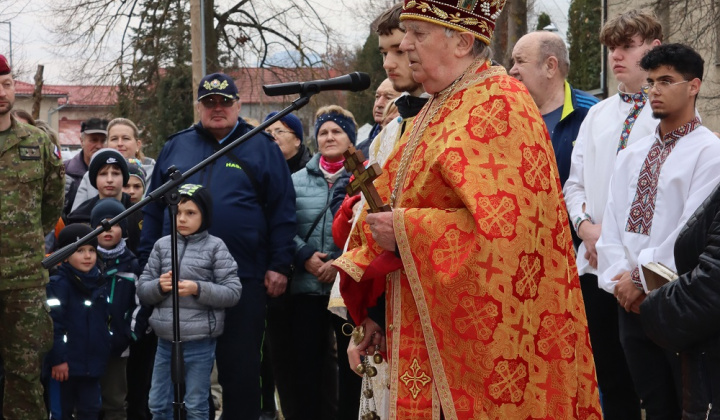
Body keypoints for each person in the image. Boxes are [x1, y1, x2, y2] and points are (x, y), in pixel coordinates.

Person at [332, 0, 601, 417]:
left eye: (418, 34)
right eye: (406, 33)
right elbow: (387, 203)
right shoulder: (436, 107)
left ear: (460, 41)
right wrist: (373, 311)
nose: (405, 45)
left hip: (482, 346)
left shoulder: (501, 102)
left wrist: (407, 227)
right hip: (416, 323)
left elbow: (508, 236)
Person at [138, 73, 296, 420]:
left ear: (238, 105)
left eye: (225, 101)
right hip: (180, 285)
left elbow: (283, 210)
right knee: (186, 377)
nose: (218, 108)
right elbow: (151, 211)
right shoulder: (176, 146)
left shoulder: (260, 145)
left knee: (239, 371)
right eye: (210, 102)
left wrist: (279, 264)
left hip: (242, 280)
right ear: (199, 107)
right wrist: (147, 265)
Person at [597, 43, 720, 420]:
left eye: (666, 81)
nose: (655, 90)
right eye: (650, 82)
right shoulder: (632, 154)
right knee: (648, 402)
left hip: (678, 302)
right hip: (627, 301)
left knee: (684, 406)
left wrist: (642, 281)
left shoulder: (710, 152)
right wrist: (621, 280)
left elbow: (689, 235)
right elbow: (613, 222)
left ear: (694, 85)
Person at [562, 10, 665, 419]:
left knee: (656, 384)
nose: (616, 56)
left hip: (643, 270)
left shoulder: (666, 113)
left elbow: (661, 195)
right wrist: (586, 229)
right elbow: (575, 184)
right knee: (609, 378)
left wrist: (612, 244)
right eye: (611, 48)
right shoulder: (598, 114)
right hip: (591, 265)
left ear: (654, 48)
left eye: (627, 46)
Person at [138, 184, 242, 420]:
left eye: (191, 213)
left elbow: (233, 292)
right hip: (165, 340)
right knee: (157, 403)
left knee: (195, 404)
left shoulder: (216, 247)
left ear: (205, 215)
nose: (182, 219)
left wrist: (198, 289)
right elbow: (143, 288)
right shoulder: (162, 246)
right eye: (178, 212)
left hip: (199, 342)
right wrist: (158, 286)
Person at [0, 53, 65, 420]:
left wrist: (22, 241)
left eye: (7, 84)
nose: (1, 92)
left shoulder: (37, 143)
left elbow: (51, 205)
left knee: (24, 376)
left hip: (23, 280)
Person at [509, 31, 598, 188]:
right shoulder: (509, 114)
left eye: (520, 61)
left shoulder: (592, 114)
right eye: (513, 62)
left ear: (550, 66)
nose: (512, 70)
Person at [45, 224, 111, 420]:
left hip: (92, 366)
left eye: (91, 250)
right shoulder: (57, 284)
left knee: (91, 411)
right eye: (79, 250)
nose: (87, 256)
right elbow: (54, 325)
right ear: (64, 256)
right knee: (61, 412)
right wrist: (58, 360)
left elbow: (104, 321)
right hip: (64, 368)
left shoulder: (100, 282)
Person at [91, 198, 144, 420]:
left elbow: (140, 304)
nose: (108, 230)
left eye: (114, 224)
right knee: (85, 401)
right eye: (101, 225)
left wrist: (128, 334)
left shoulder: (132, 264)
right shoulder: (84, 261)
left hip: (117, 346)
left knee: (115, 401)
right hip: (86, 347)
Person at [67, 148, 144, 253]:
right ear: (94, 179)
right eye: (103, 174)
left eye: (116, 173)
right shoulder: (79, 217)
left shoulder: (140, 214)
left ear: (124, 178)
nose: (109, 180)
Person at [72, 118, 155, 211]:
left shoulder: (154, 175)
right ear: (107, 144)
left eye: (125, 138)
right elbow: (77, 215)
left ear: (138, 144)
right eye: (114, 139)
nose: (120, 144)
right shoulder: (90, 176)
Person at [64, 117, 108, 216]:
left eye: (103, 141)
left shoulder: (117, 173)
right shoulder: (65, 171)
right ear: (82, 141)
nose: (99, 146)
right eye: (93, 140)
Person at [356, 78, 400, 155]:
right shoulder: (360, 150)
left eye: (388, 98)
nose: (379, 104)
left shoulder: (412, 144)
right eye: (377, 96)